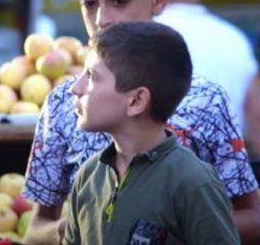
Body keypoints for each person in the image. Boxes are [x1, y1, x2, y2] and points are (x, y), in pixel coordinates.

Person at [22, 0, 260, 245]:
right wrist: (86, 223)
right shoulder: (64, 104)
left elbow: (256, 222)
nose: (102, 19)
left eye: (119, 0)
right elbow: (35, 230)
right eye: (89, 2)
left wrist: (158, 225)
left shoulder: (203, 101)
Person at [62, 21, 240, 245]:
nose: (74, 88)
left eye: (91, 77)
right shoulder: (88, 176)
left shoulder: (193, 182)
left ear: (136, 101)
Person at [156, 0, 260, 159]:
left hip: (157, 178)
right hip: (226, 180)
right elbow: (257, 119)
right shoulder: (233, 39)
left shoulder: (143, 35)